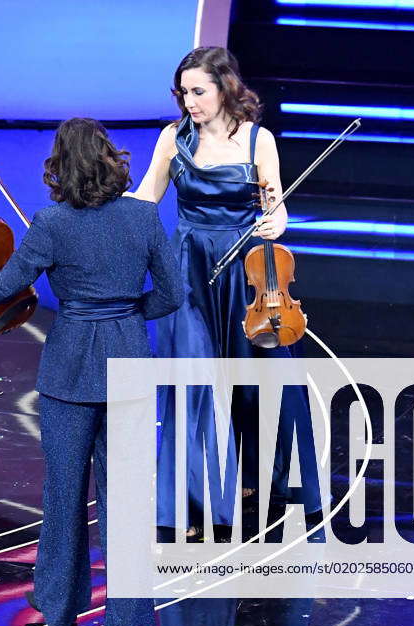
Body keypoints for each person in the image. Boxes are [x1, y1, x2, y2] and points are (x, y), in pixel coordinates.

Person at [0, 117, 183, 626]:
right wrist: (126, 317)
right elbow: (172, 295)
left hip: (68, 371)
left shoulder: (51, 222)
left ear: (58, 167)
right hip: (128, 362)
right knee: (127, 503)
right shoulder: (144, 218)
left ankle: (58, 607)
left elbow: (0, 289)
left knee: (64, 493)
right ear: (110, 158)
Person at [128, 46, 319, 537]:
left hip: (246, 272)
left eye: (198, 91)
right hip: (188, 270)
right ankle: (196, 505)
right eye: (184, 93)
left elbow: (275, 204)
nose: (189, 101)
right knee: (193, 382)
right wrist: (98, 209)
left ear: (225, 88)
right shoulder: (174, 139)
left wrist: (276, 222)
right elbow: (147, 197)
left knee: (255, 381)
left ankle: (258, 475)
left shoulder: (259, 141)